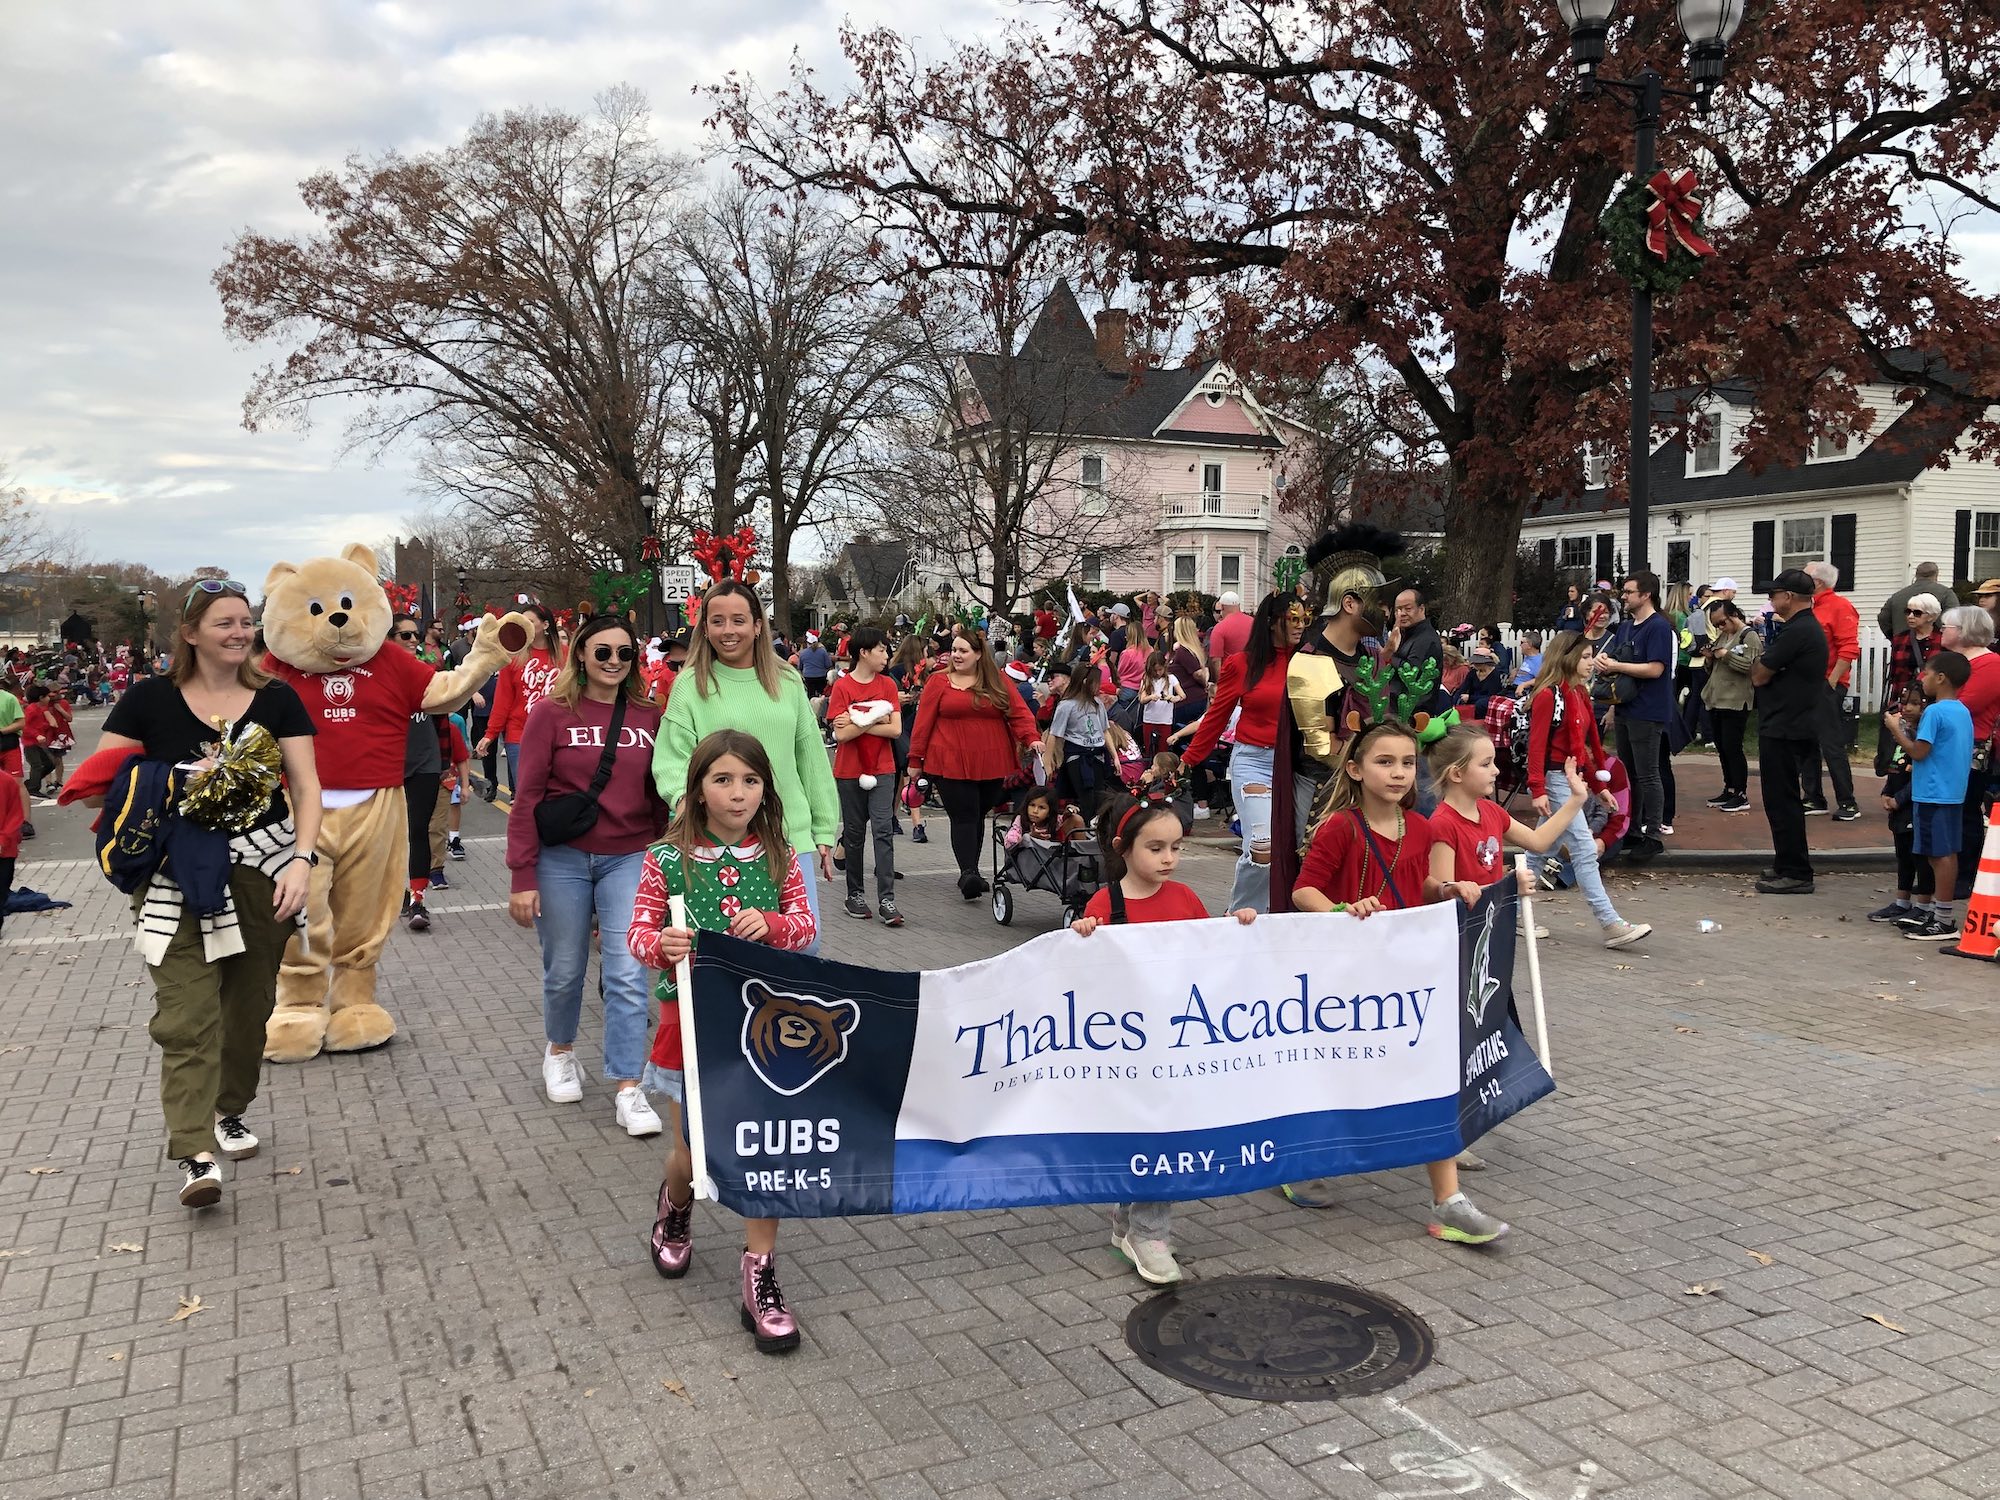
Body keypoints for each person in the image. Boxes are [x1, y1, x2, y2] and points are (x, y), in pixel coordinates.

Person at [92, 580, 320, 1208]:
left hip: (263, 869)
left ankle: (230, 1110)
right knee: (186, 1015)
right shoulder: (147, 700)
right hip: (175, 878)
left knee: (248, 1011)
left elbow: (305, 787)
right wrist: (172, 781)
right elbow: (98, 783)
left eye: (246, 622)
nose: (239, 633)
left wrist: (301, 861)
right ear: (190, 633)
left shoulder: (277, 699)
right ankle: (193, 1152)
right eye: (224, 623)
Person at [628, 730, 816, 1354]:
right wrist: (662, 945)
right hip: (691, 1025)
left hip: (765, 1033)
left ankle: (759, 1270)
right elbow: (636, 934)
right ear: (699, 788)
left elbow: (806, 926)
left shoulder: (780, 855)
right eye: (723, 780)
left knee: (767, 1152)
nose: (737, 794)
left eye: (750, 781)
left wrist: (776, 924)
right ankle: (676, 1206)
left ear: (765, 789)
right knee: (690, 1149)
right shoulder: (666, 857)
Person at [1285, 719, 1508, 1242]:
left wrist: (1449, 887)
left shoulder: (1423, 827)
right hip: (1348, 979)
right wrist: (1346, 908)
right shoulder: (1341, 827)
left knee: (1430, 1073)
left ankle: (1448, 1201)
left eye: (1407, 763)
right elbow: (1304, 892)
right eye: (1385, 762)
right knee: (1333, 1072)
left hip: (1407, 974)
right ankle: (1300, 1163)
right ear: (1356, 769)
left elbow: (1423, 883)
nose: (1399, 773)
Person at [1068, 786, 1257, 1284]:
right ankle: (1139, 1228)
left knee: (1167, 1131)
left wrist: (1235, 926)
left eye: (1177, 847)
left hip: (1178, 1042)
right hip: (1129, 1046)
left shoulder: (1186, 898)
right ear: (1123, 848)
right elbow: (1082, 979)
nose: (1169, 858)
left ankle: (1143, 1227)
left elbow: (1210, 953)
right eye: (1156, 848)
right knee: (1145, 1131)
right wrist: (1085, 936)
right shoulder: (1105, 903)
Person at [507, 614, 667, 1134]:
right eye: (603, 652)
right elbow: (526, 797)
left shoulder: (649, 715)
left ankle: (628, 1085)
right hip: (562, 858)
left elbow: (660, 792)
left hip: (630, 856)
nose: (614, 662)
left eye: (625, 653)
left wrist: (671, 861)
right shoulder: (550, 714)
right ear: (580, 654)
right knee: (566, 969)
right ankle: (559, 1050)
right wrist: (520, 875)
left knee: (626, 971)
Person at [654, 580, 839, 944]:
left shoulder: (786, 680)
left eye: (738, 620)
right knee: (729, 946)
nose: (728, 631)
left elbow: (810, 756)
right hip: (718, 838)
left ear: (757, 626)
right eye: (717, 621)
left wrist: (823, 828)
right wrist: (682, 798)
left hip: (788, 833)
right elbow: (671, 758)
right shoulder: (690, 684)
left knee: (804, 943)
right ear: (704, 629)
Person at [1521, 634, 1653, 948]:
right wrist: (1538, 788)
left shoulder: (1579, 692)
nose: (1591, 662)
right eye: (1585, 656)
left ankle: (1510, 913)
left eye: (1591, 655)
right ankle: (1610, 923)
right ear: (1567, 658)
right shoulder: (1548, 696)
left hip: (1572, 778)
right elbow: (1536, 747)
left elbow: (1589, 747)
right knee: (1582, 848)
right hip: (1557, 780)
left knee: (1541, 849)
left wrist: (1599, 787)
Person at [1181, 593, 1304, 912]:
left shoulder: (1308, 660)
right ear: (1272, 621)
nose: (1300, 625)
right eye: (1292, 618)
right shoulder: (1242, 664)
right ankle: (1240, 916)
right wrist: (1189, 759)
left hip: (1297, 766)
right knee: (1262, 848)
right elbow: (1217, 716)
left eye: (1304, 618)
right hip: (1255, 763)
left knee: (1297, 849)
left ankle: (1278, 915)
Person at [908, 631, 1040, 899]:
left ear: (979, 654)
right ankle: (968, 872)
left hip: (992, 760)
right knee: (964, 814)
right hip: (949, 759)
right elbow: (923, 723)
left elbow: (1019, 713)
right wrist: (915, 759)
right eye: (954, 650)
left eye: (963, 650)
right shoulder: (938, 682)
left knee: (978, 813)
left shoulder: (997, 680)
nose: (956, 655)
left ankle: (973, 871)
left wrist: (1033, 739)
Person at [1879, 651, 1974, 940]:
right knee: (1945, 852)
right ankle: (1938, 912)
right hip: (1952, 790)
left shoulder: (1934, 711)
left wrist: (1896, 730)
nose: (1924, 679)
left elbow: (1919, 751)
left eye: (1928, 675)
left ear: (1941, 678)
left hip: (1933, 792)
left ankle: (1943, 919)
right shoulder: (1962, 710)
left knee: (1938, 854)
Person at [1749, 570, 1830, 894]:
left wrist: (1763, 662)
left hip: (1787, 725)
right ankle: (1786, 862)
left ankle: (1797, 870)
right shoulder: (1797, 628)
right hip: (1787, 722)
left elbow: (1759, 675)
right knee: (1779, 798)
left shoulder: (1800, 630)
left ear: (1790, 597)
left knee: (1783, 799)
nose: (1771, 600)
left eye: (1774, 594)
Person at [1591, 572, 1675, 861]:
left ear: (1646, 595)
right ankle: (1632, 829)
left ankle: (1653, 834)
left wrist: (1618, 665)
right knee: (1629, 773)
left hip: (1648, 710)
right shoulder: (1626, 627)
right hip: (1626, 707)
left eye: (1628, 592)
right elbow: (1617, 664)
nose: (1623, 597)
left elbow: (1655, 669)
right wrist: (1607, 666)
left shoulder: (1659, 628)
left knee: (1648, 773)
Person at [827, 626, 903, 927]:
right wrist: (878, 717)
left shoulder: (888, 685)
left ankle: (887, 899)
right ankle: (854, 894)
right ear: (864, 652)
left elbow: (895, 730)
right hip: (849, 770)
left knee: (883, 831)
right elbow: (841, 734)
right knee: (855, 834)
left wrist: (859, 718)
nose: (886, 655)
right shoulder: (843, 687)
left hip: (883, 769)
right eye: (882, 650)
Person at [1937, 605, 2000, 895]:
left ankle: (1965, 874)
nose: (1942, 630)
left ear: (1964, 632)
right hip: (1948, 744)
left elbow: (1964, 704)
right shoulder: (1954, 662)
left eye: (1947, 626)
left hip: (1972, 747)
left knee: (1966, 811)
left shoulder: (1990, 665)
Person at [390, 616, 446, 932]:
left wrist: (448, 763)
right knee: (392, 836)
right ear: (389, 638)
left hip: (425, 761)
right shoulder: (378, 677)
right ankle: (394, 892)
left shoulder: (428, 674)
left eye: (416, 634)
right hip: (390, 764)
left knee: (418, 831)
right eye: (406, 634)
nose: (414, 639)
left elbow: (444, 720)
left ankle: (417, 900)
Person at [476, 603, 561, 795]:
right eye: (523, 623)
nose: (526, 626)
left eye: (530, 622)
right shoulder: (513, 657)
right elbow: (503, 699)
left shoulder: (565, 654)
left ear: (546, 625)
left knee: (556, 797)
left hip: (558, 735)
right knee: (527, 796)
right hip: (520, 735)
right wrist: (491, 734)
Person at [1869, 683, 1935, 926]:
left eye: (1915, 703)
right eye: (1904, 702)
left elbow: (1921, 772)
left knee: (1920, 856)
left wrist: (1900, 798)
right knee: (1903, 854)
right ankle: (1901, 901)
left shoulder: (1922, 736)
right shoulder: (1902, 733)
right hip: (1897, 801)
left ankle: (1924, 905)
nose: (1907, 708)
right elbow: (1895, 769)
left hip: (1913, 802)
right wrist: (1887, 792)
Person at [1800, 559, 1861, 820]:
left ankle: (1847, 802)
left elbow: (1849, 648)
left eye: (1804, 577)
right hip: (1807, 684)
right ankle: (1813, 797)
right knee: (1807, 742)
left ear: (1817, 582)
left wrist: (1832, 681)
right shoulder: (1810, 607)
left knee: (1831, 743)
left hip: (1826, 683)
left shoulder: (1839, 606)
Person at [1700, 601, 1761, 813]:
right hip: (1717, 698)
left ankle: (1741, 793)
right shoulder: (1723, 636)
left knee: (1733, 747)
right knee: (1722, 747)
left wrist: (1726, 655)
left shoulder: (1748, 636)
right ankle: (1730, 787)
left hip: (1736, 700)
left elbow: (1750, 667)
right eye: (1716, 624)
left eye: (1722, 622)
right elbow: (1714, 667)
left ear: (1734, 614)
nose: (1720, 628)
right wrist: (1710, 658)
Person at [887, 633, 931, 845]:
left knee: (909, 776)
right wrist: (900, 698)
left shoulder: (925, 674)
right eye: (924, 650)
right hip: (901, 727)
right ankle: (903, 819)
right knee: (902, 776)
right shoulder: (895, 672)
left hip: (916, 725)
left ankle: (913, 822)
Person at [1382, 587, 1446, 714]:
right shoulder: (1405, 633)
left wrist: (1389, 656)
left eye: (1408, 608)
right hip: (1395, 708)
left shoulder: (1426, 639)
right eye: (1398, 609)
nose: (1402, 613)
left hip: (1413, 714)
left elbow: (1411, 672)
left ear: (1421, 609)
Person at [1884, 593, 1944, 709]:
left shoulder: (1943, 640)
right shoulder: (1900, 639)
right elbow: (1895, 673)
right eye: (1908, 612)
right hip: (1903, 700)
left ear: (1931, 616)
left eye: (1917, 613)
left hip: (1931, 701)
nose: (1910, 616)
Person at [1877, 561, 1959, 638]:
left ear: (1916, 575)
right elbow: (1954, 618)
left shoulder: (1898, 596)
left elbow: (1883, 618)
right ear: (1936, 575)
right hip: (1935, 646)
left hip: (1902, 646)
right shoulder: (1946, 594)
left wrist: (1894, 637)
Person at [1138, 650, 1183, 758]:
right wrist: (1150, 697)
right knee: (1149, 750)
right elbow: (1142, 699)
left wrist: (1173, 698)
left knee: (1163, 751)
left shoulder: (1171, 679)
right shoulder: (1146, 679)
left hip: (1165, 720)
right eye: (1155, 670)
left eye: (1160, 670)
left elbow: (1182, 695)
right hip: (1149, 720)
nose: (1158, 673)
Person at [1169, 617, 1209, 729]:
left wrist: (1205, 683)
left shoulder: (1183, 651)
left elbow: (1198, 674)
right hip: (1193, 699)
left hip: (1187, 701)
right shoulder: (1191, 650)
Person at [1207, 591, 1250, 659]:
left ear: (1222, 607)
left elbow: (1215, 659)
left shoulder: (1219, 628)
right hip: (1254, 668)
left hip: (1229, 668)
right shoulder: (1254, 623)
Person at [796, 632, 832, 699]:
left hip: (808, 676)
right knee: (822, 693)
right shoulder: (823, 651)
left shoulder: (803, 653)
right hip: (821, 676)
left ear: (807, 643)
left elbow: (800, 667)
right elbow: (828, 665)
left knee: (810, 694)